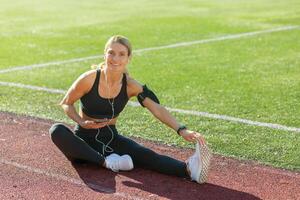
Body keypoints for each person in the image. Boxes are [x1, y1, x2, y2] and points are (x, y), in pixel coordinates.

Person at [49, 35, 211, 184]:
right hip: (83, 143)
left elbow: (157, 109)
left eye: (121, 54)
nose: (115, 58)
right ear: (104, 55)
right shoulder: (89, 79)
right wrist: (81, 121)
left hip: (111, 139)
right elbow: (66, 103)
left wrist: (182, 130)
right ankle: (107, 162)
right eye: (111, 53)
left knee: (146, 155)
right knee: (57, 130)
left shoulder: (131, 85)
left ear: (128, 58)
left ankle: (189, 169)